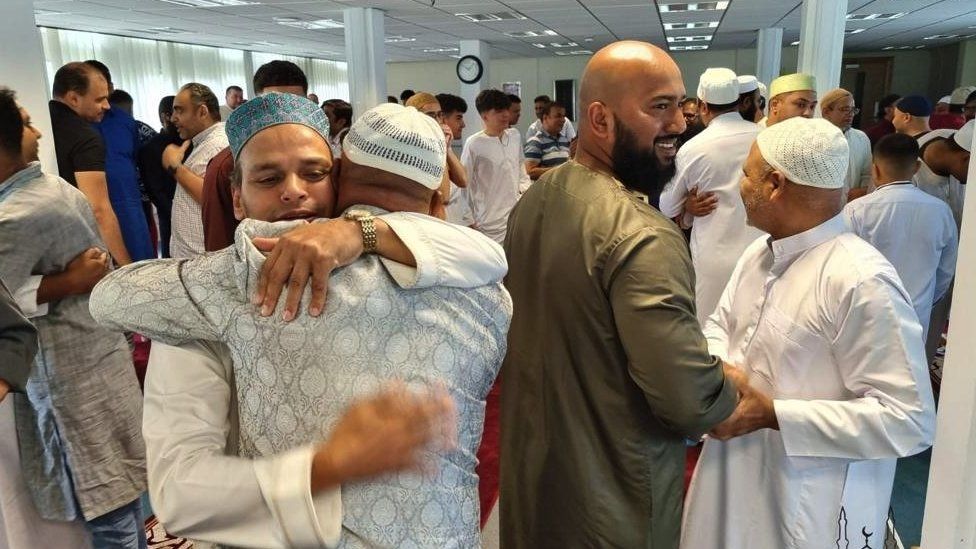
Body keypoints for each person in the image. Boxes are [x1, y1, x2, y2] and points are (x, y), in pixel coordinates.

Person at [90, 96, 511, 547]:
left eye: (314, 173)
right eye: (269, 177)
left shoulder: (423, 261)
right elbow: (179, 496)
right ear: (236, 196)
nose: (293, 190)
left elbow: (486, 255)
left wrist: (362, 233)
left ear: (341, 179)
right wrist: (328, 466)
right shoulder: (214, 291)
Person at [501, 41, 744, 548]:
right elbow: (687, 401)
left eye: (682, 104)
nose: (679, 122)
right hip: (613, 501)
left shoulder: (540, 199)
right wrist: (731, 385)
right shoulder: (642, 235)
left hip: (536, 478)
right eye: (660, 107)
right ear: (600, 119)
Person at [681, 117, 936, 549]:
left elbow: (909, 420)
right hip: (732, 472)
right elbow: (719, 325)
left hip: (805, 501)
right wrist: (725, 371)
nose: (739, 186)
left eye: (746, 174)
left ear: (775, 185)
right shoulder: (758, 253)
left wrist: (775, 414)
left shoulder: (858, 280)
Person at [0, 88, 147, 549]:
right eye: (26, 122)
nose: (38, 129)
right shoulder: (45, 189)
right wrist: (66, 282)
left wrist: (64, 284)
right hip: (92, 360)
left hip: (71, 377)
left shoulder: (20, 210)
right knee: (117, 507)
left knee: (108, 515)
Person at [659, 67, 763, 325]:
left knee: (712, 329)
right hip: (762, 251)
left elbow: (666, 205)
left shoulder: (694, 148)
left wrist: (687, 205)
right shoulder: (765, 138)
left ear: (703, 106)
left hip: (714, 258)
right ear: (739, 102)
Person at [844, 133, 957, 340]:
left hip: (865, 314)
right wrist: (926, 299)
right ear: (916, 168)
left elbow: (842, 268)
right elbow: (945, 271)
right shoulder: (941, 211)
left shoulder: (856, 210)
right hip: (917, 315)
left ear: (874, 169)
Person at [202, 60, 308, 252]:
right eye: (273, 105)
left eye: (295, 105)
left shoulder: (320, 158)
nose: (285, 114)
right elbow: (219, 244)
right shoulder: (227, 164)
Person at [48, 62, 132, 265]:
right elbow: (99, 209)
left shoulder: (42, 124)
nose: (107, 106)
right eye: (100, 99)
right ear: (74, 98)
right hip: (77, 250)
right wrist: (126, 267)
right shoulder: (85, 138)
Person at [86, 60, 155, 262]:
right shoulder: (71, 126)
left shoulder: (125, 123)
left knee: (142, 271)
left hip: (129, 208)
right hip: (91, 212)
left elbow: (133, 160)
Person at [163, 82, 228, 258]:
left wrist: (175, 167)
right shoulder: (204, 143)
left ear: (202, 112)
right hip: (195, 260)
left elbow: (214, 196)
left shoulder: (219, 144)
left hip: (202, 261)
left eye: (180, 110)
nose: (173, 118)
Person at [458, 89, 531, 243]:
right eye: (498, 111)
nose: (505, 115)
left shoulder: (514, 135)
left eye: (506, 109)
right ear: (485, 116)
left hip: (517, 215)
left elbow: (520, 166)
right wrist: (469, 219)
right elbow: (464, 184)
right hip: (488, 222)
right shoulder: (474, 144)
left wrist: (525, 192)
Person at [138, 95, 181, 257]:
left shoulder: (189, 141)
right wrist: (176, 213)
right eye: (177, 112)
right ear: (166, 116)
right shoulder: (151, 147)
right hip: (169, 217)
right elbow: (154, 190)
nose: (180, 119)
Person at [819, 88, 873, 201]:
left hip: (854, 205)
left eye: (853, 110)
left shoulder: (861, 138)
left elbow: (867, 175)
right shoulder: (814, 138)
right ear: (826, 112)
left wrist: (861, 192)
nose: (851, 115)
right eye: (845, 109)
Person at [523, 101, 571, 179]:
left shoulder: (564, 140)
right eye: (558, 116)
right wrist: (559, 170)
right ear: (545, 118)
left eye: (563, 116)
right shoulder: (536, 142)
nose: (563, 120)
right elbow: (529, 172)